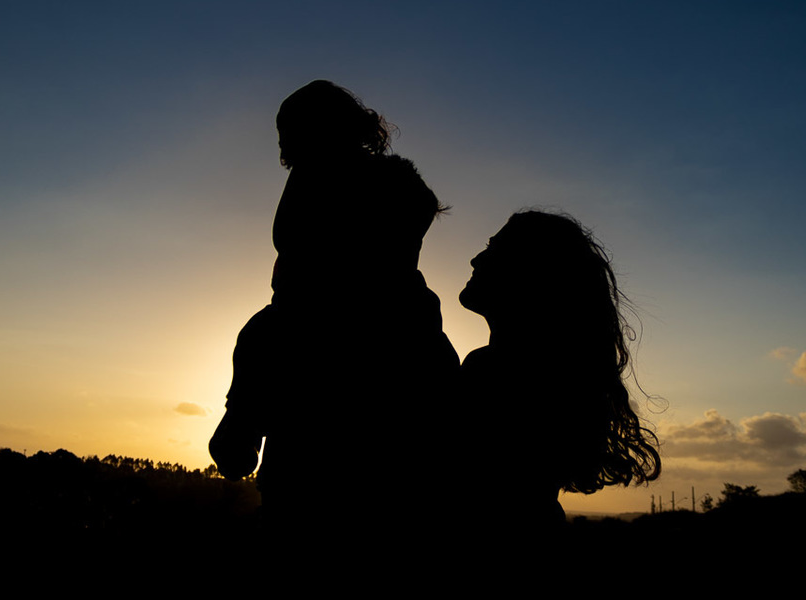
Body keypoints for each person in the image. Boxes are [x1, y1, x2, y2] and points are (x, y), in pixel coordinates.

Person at [209, 80, 459, 544]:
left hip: (346, 385)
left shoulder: (341, 182)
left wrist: (242, 411)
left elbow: (293, 312)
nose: (284, 144)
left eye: (292, 131)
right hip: (347, 385)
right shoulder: (336, 176)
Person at [458, 210, 660, 543]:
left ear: (532, 274)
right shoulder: (552, 377)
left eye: (495, 250)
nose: (476, 259)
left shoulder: (496, 372)